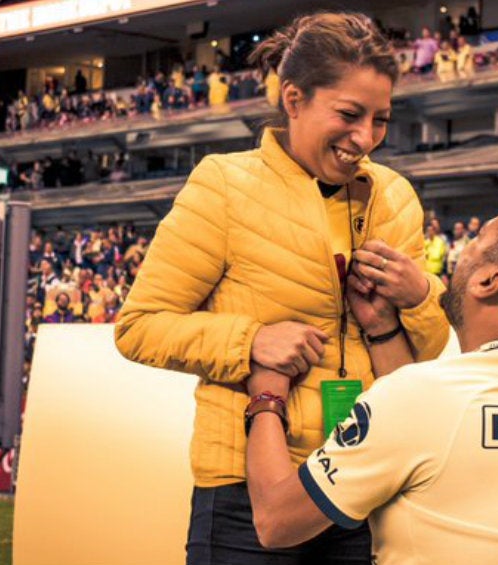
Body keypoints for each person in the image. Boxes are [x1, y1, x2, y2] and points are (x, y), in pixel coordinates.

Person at [114, 13, 449, 565]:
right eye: (348, 113)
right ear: (293, 99)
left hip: (363, 478)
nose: (365, 138)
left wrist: (421, 298)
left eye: (380, 119)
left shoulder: (395, 196)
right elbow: (139, 326)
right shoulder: (222, 184)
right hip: (244, 485)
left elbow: (423, 358)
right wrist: (249, 342)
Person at [244, 189, 498, 564]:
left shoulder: (424, 400)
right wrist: (382, 329)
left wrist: (266, 398)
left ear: (488, 281)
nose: (461, 255)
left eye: (475, 243)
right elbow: (428, 436)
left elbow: (276, 521)